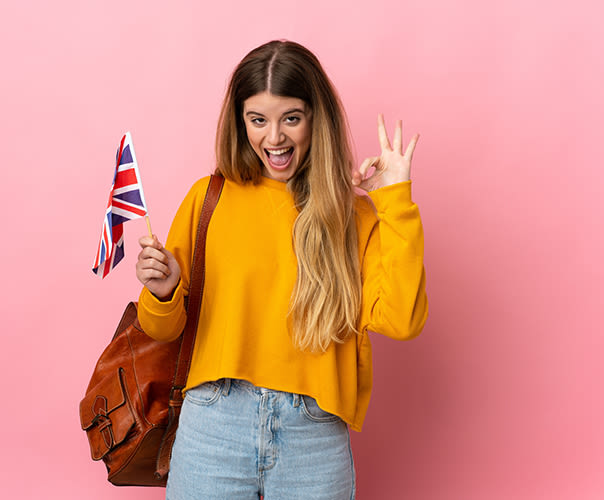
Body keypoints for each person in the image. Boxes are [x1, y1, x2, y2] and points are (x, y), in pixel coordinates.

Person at [133, 39, 428, 499]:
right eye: (258, 120)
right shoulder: (208, 200)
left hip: (312, 434)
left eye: (291, 118)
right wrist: (165, 291)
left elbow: (403, 321)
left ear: (316, 118)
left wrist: (395, 202)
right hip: (214, 423)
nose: (274, 138)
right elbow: (160, 328)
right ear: (240, 122)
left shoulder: (355, 215)